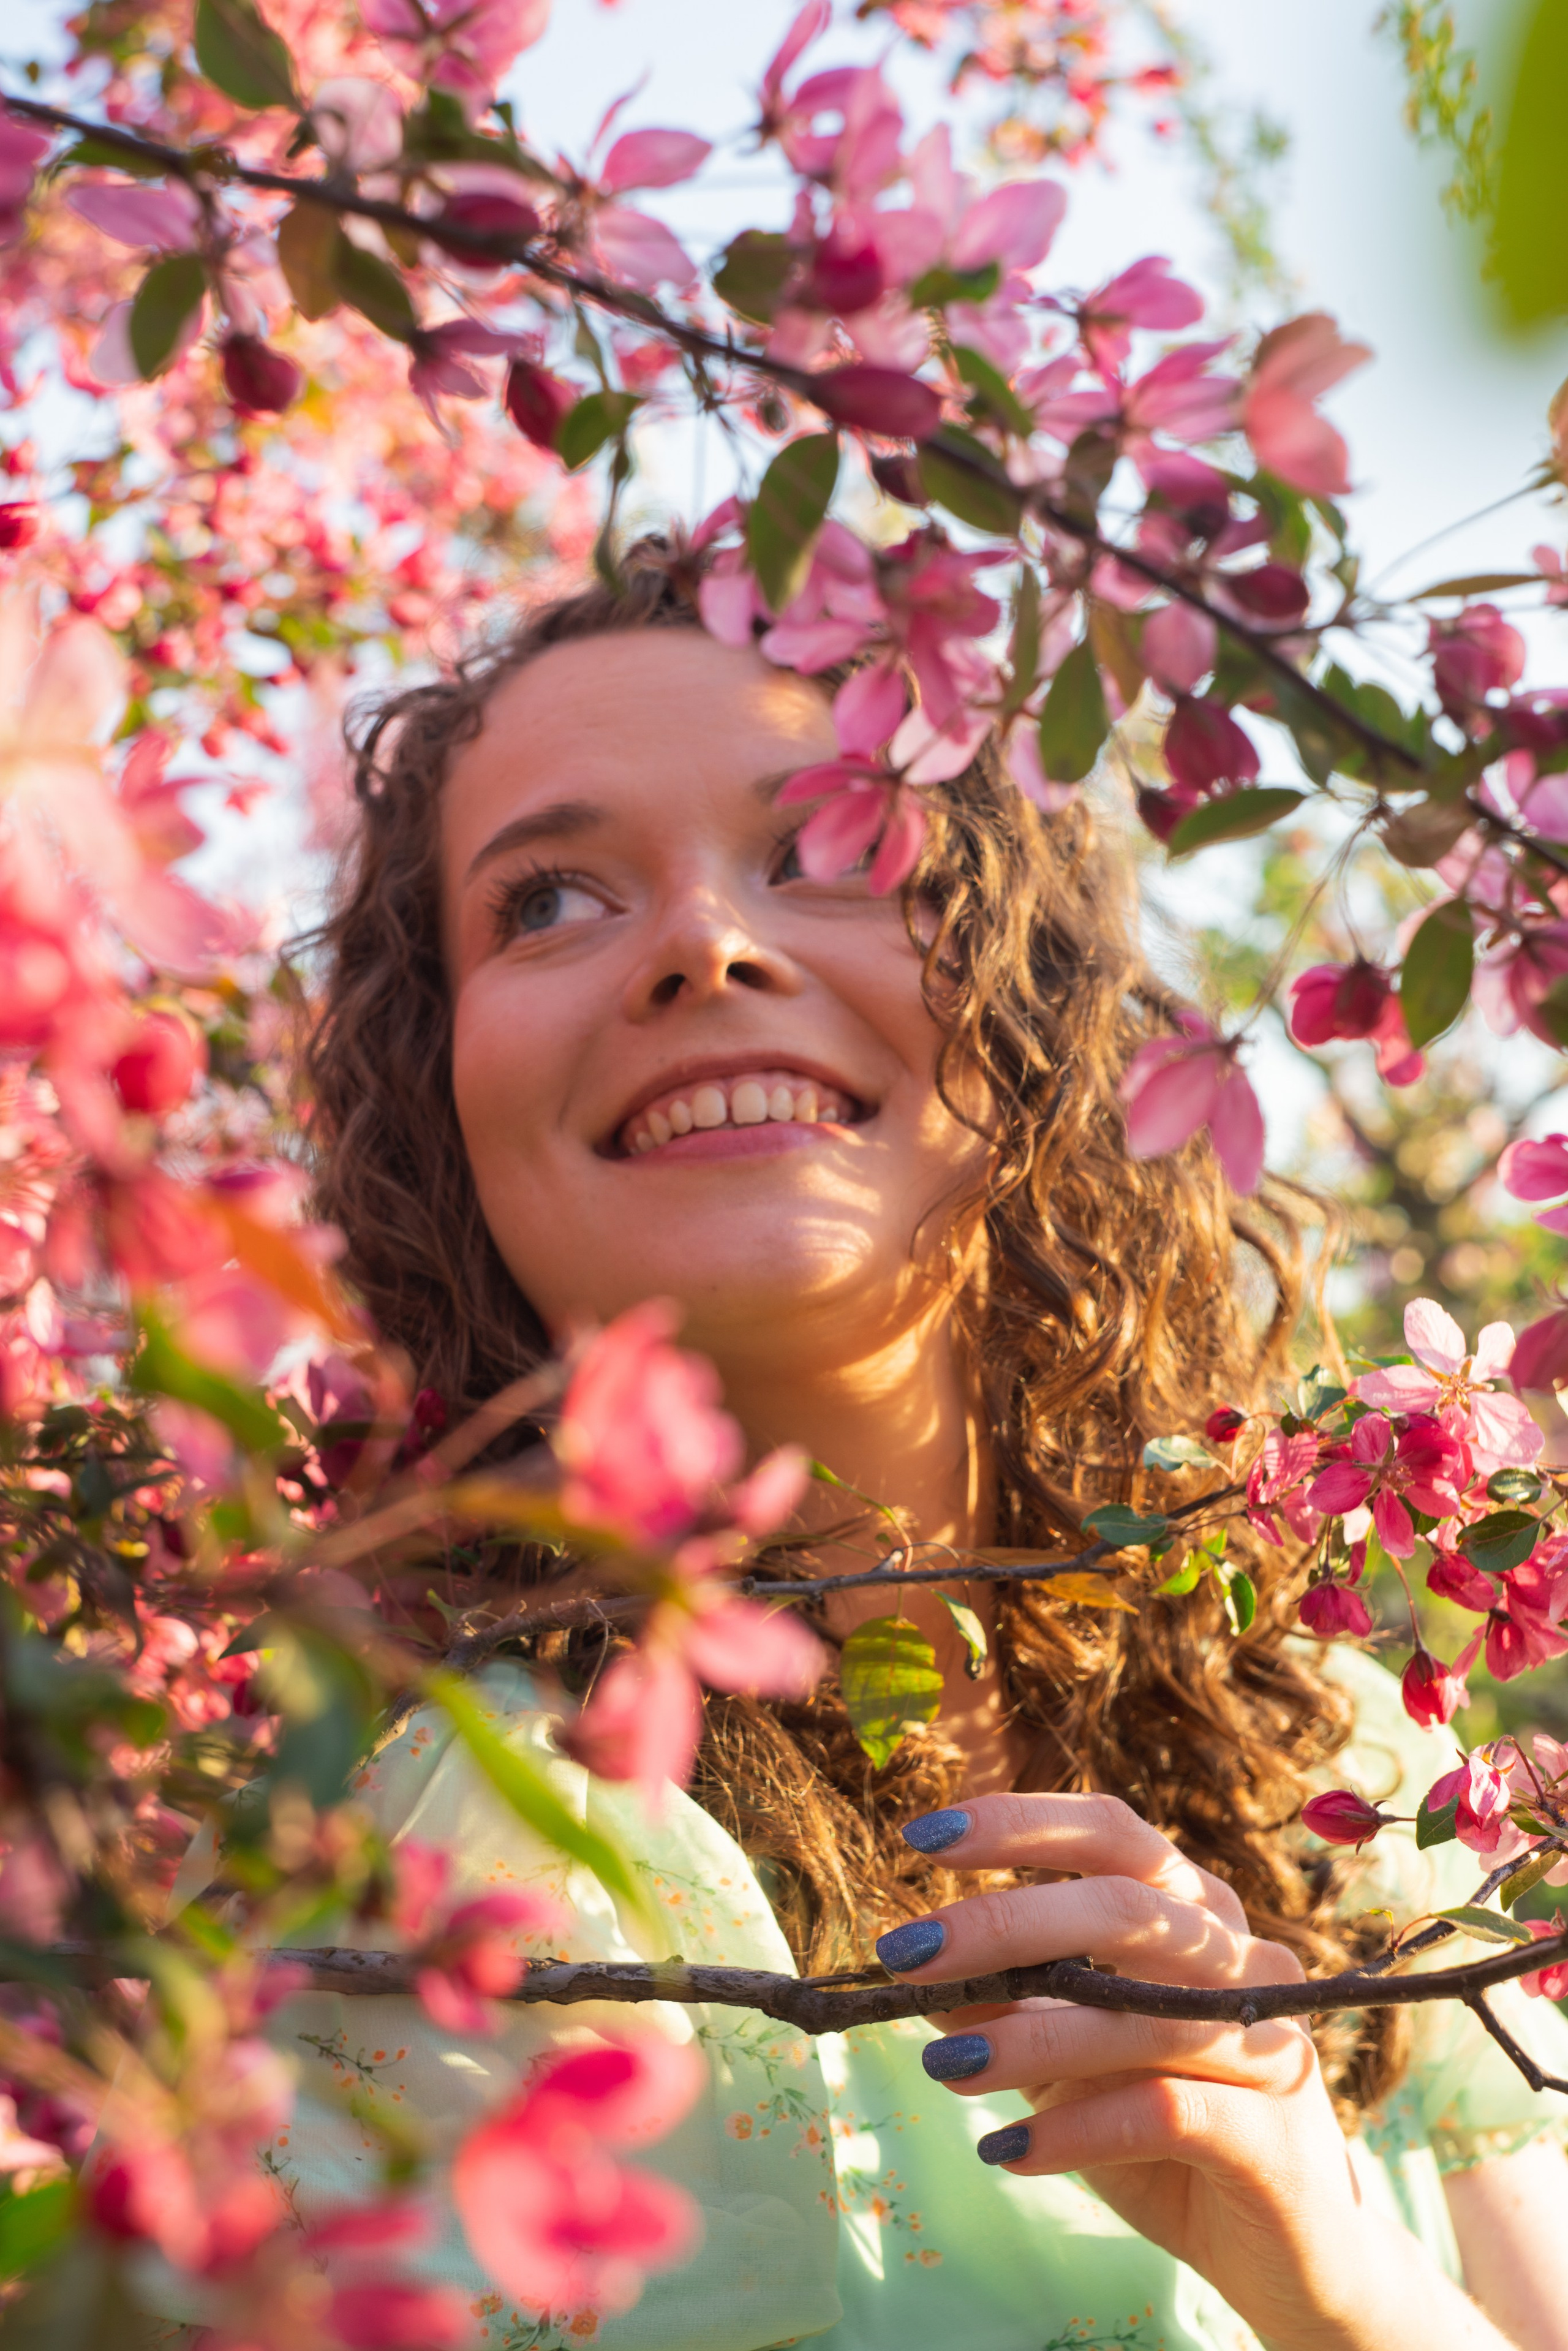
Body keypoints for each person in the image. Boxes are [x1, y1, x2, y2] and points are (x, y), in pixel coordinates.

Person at [179, 551, 1568, 2350]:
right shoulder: (359, 1823)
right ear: (439, 1098)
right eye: (544, 901)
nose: (700, 942)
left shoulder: (1355, 1762)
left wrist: (1331, 2271)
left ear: (1040, 1003)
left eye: (833, 850)